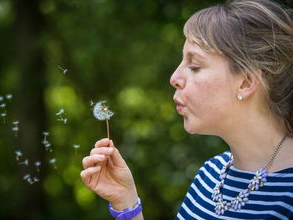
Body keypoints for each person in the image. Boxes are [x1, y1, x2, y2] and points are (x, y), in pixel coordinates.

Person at [80, 0, 293, 219]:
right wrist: (127, 202)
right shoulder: (210, 175)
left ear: (246, 82)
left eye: (194, 66)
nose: (174, 78)